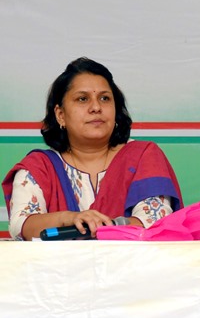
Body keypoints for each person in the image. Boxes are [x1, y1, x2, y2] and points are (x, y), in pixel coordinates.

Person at [2, 58, 183, 241]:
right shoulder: (39, 167)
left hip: (132, 267)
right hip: (57, 269)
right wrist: (69, 219)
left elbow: (154, 223)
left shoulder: (144, 156)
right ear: (60, 115)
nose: (96, 107)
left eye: (105, 98)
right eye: (82, 99)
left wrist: (99, 228)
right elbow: (21, 225)